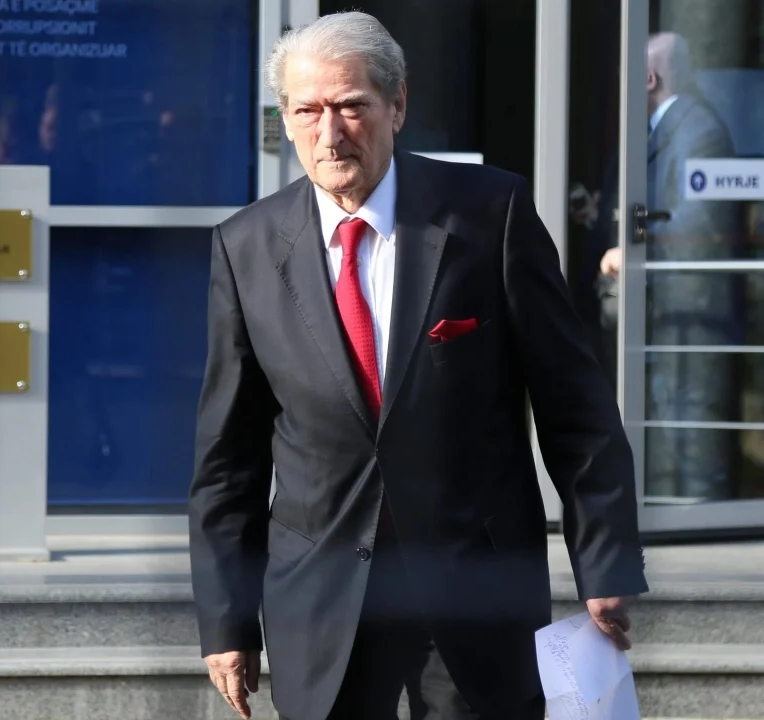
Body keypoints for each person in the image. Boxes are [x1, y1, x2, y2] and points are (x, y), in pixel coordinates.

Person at [188, 11, 649, 720]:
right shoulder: (244, 247)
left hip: (474, 587)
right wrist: (226, 620)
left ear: (397, 106)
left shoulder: (490, 215)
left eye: (351, 107)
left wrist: (605, 561)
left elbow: (575, 407)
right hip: (320, 599)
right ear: (286, 117)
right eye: (307, 111)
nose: (330, 133)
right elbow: (229, 456)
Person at [594, 31, 743, 502]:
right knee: (664, 439)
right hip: (663, 317)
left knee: (692, 447)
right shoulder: (666, 128)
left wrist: (634, 250)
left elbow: (701, 223)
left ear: (649, 78)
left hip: (690, 321)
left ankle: (707, 529)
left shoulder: (699, 129)